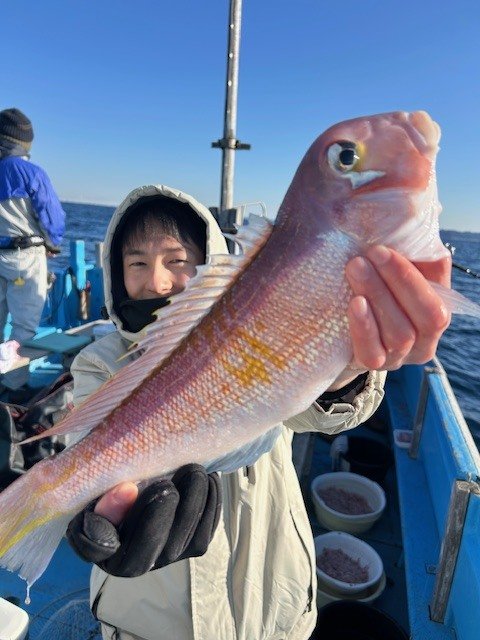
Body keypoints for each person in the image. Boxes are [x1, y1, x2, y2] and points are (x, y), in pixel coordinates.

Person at [66, 184, 451, 640]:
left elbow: (321, 415)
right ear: (115, 273)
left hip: (270, 605)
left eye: (176, 260)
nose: (158, 281)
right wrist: (105, 518)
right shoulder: (100, 363)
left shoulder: (254, 336)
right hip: (148, 620)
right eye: (137, 263)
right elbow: (83, 449)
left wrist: (344, 371)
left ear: (209, 264)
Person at [0, 108, 66, 400]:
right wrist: (53, 244)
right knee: (23, 326)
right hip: (24, 260)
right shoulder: (32, 173)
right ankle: (14, 387)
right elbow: (52, 217)